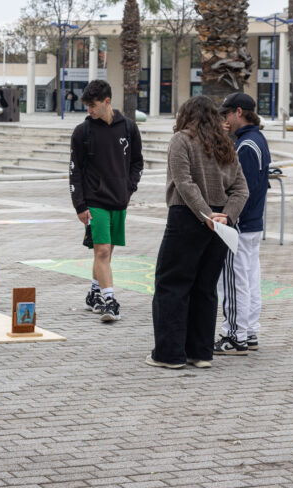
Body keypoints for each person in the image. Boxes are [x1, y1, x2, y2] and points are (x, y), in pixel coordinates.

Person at [147, 96, 248, 370]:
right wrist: (226, 216)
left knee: (171, 284)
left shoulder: (181, 139)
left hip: (187, 216)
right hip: (221, 224)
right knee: (205, 287)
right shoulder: (225, 144)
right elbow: (241, 189)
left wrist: (206, 214)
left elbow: (184, 182)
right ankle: (200, 353)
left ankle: (169, 354)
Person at [69, 79, 143, 323]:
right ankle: (110, 300)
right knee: (101, 250)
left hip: (119, 200)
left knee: (107, 251)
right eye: (87, 105)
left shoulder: (129, 128)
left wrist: (129, 188)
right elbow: (74, 171)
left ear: (107, 101)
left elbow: (137, 162)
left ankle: (94, 293)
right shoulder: (83, 132)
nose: (89, 110)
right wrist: (80, 205)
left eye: (93, 105)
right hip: (94, 201)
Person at [215, 93, 271, 357]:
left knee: (234, 281)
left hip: (241, 223)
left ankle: (234, 335)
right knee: (249, 278)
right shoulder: (255, 139)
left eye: (227, 114)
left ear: (238, 112)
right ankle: (248, 331)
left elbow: (241, 189)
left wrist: (229, 218)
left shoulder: (246, 145)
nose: (225, 119)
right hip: (252, 222)